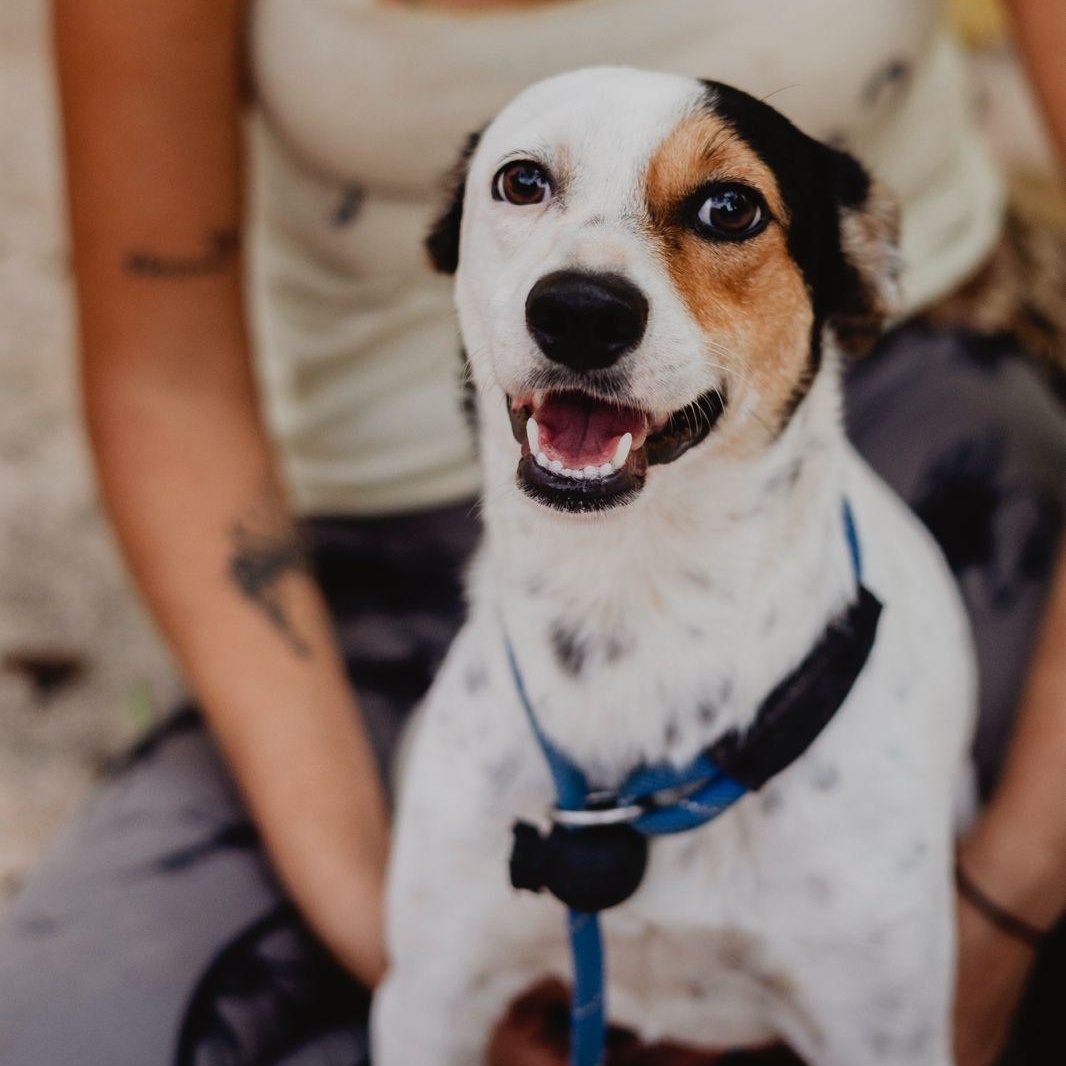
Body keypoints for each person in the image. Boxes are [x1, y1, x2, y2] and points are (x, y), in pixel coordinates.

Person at [1, 1, 1064, 1064]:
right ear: (454, 247)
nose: (591, 286)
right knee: (64, 1032)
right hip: (381, 531)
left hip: (934, 416)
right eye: (523, 187)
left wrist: (996, 915)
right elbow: (162, 382)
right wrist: (400, 930)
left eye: (724, 209)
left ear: (854, 269)